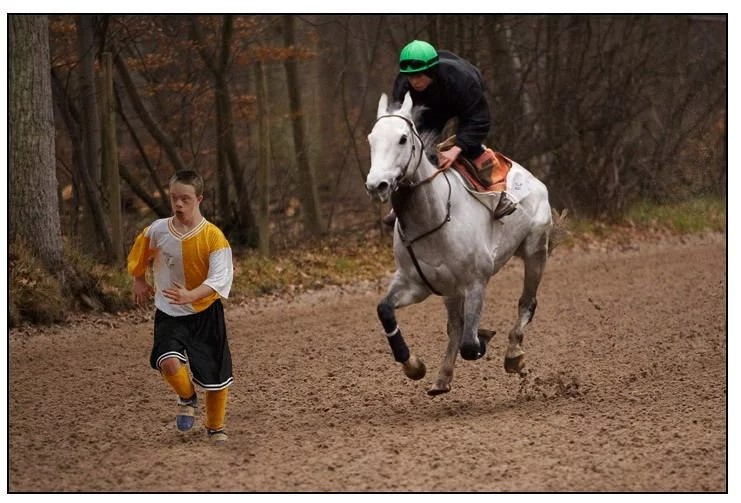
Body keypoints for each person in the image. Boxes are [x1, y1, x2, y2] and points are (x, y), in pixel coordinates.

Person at [127, 169, 234, 444]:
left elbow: (220, 279)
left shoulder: (214, 237)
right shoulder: (157, 230)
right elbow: (139, 253)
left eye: (185, 199)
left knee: (214, 377)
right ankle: (186, 396)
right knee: (169, 361)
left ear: (199, 199)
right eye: (174, 198)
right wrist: (138, 279)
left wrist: (192, 295)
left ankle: (215, 428)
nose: (178, 204)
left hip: (205, 313)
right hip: (169, 311)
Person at [383, 39, 516, 226]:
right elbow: (400, 123)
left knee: (471, 148)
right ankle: (403, 204)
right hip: (428, 107)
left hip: (462, 99)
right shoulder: (403, 84)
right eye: (410, 76)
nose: (414, 81)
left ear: (431, 71)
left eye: (419, 75)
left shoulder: (463, 80)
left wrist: (457, 148)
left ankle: (498, 194)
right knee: (419, 149)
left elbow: (479, 120)